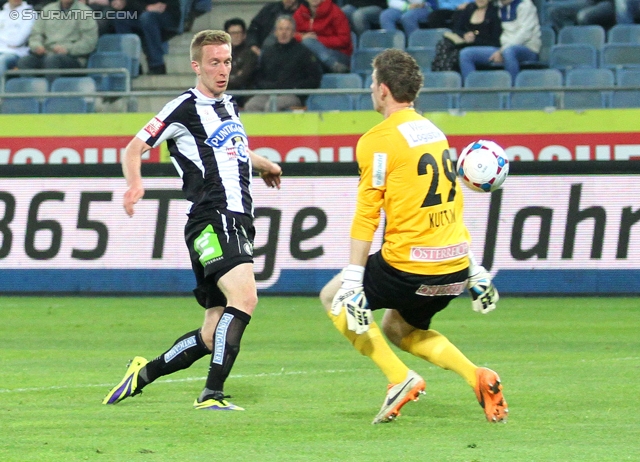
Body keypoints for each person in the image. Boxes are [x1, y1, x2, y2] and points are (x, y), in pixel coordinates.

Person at [319, 48, 507, 425]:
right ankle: (477, 376)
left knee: (333, 296)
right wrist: (473, 269)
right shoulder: (433, 133)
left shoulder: (378, 139)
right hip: (450, 269)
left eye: (373, 83)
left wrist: (354, 280)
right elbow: (448, 205)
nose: (371, 89)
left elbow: (367, 213)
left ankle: (399, 378)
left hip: (409, 266)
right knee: (397, 327)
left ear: (384, 90)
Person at [102, 29, 282, 411]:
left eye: (228, 61)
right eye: (214, 62)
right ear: (196, 65)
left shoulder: (229, 106)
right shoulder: (182, 107)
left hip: (235, 219)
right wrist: (135, 184)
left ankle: (142, 373)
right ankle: (210, 395)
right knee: (245, 297)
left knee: (210, 332)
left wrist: (263, 164)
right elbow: (134, 148)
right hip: (214, 217)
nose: (223, 69)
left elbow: (235, 150)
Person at [243, 15, 322, 112]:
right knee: (251, 105)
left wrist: (296, 88)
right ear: (275, 32)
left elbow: (314, 78)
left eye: (287, 29)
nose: (283, 32)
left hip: (292, 94)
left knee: (272, 106)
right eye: (280, 29)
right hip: (269, 93)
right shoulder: (268, 52)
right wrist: (266, 86)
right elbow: (258, 75)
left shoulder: (303, 52)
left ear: (293, 32)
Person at [459, 0, 541, 84]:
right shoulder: (498, 6)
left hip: (528, 48)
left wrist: (502, 51)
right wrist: (469, 5)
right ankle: (473, 92)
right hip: (502, 48)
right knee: (466, 54)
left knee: (509, 52)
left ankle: (511, 91)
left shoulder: (525, 5)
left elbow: (525, 34)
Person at [16, 0, 98, 72]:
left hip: (73, 57)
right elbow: (36, 34)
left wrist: (67, 49)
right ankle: (32, 89)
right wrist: (37, 46)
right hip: (46, 53)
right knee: (24, 61)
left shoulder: (85, 12)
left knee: (53, 60)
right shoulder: (47, 10)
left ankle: (51, 89)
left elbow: (89, 42)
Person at [113, 0, 182, 75]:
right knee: (120, 16)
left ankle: (157, 64)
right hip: (141, 11)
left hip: (167, 13)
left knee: (147, 18)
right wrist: (144, 7)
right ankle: (133, 64)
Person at [431, 0, 501, 73]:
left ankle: (453, 81)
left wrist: (475, 39)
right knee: (443, 45)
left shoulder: (495, 12)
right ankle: (442, 78)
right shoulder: (470, 8)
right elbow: (457, 29)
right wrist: (464, 35)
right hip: (465, 43)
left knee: (453, 56)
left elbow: (495, 41)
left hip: (484, 45)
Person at [293, 0, 353, 73]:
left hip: (339, 55)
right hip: (312, 56)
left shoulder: (335, 12)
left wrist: (317, 40)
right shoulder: (299, 13)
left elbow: (344, 40)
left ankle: (333, 65)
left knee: (308, 42)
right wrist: (301, 37)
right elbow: (290, 34)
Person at [224, 17, 258, 107]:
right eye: (232, 33)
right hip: (225, 92)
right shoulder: (221, 54)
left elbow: (242, 78)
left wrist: (228, 77)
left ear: (244, 35)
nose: (236, 36)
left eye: (238, 33)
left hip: (244, 94)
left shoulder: (250, 53)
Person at [0, 0, 34, 76]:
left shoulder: (29, 14)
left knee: (1, 61)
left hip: (16, 53)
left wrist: (2, 39)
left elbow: (17, 41)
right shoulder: (1, 14)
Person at [546, 0, 615, 32]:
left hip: (609, 3)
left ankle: (590, 44)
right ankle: (568, 41)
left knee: (583, 16)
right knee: (555, 12)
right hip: (589, 2)